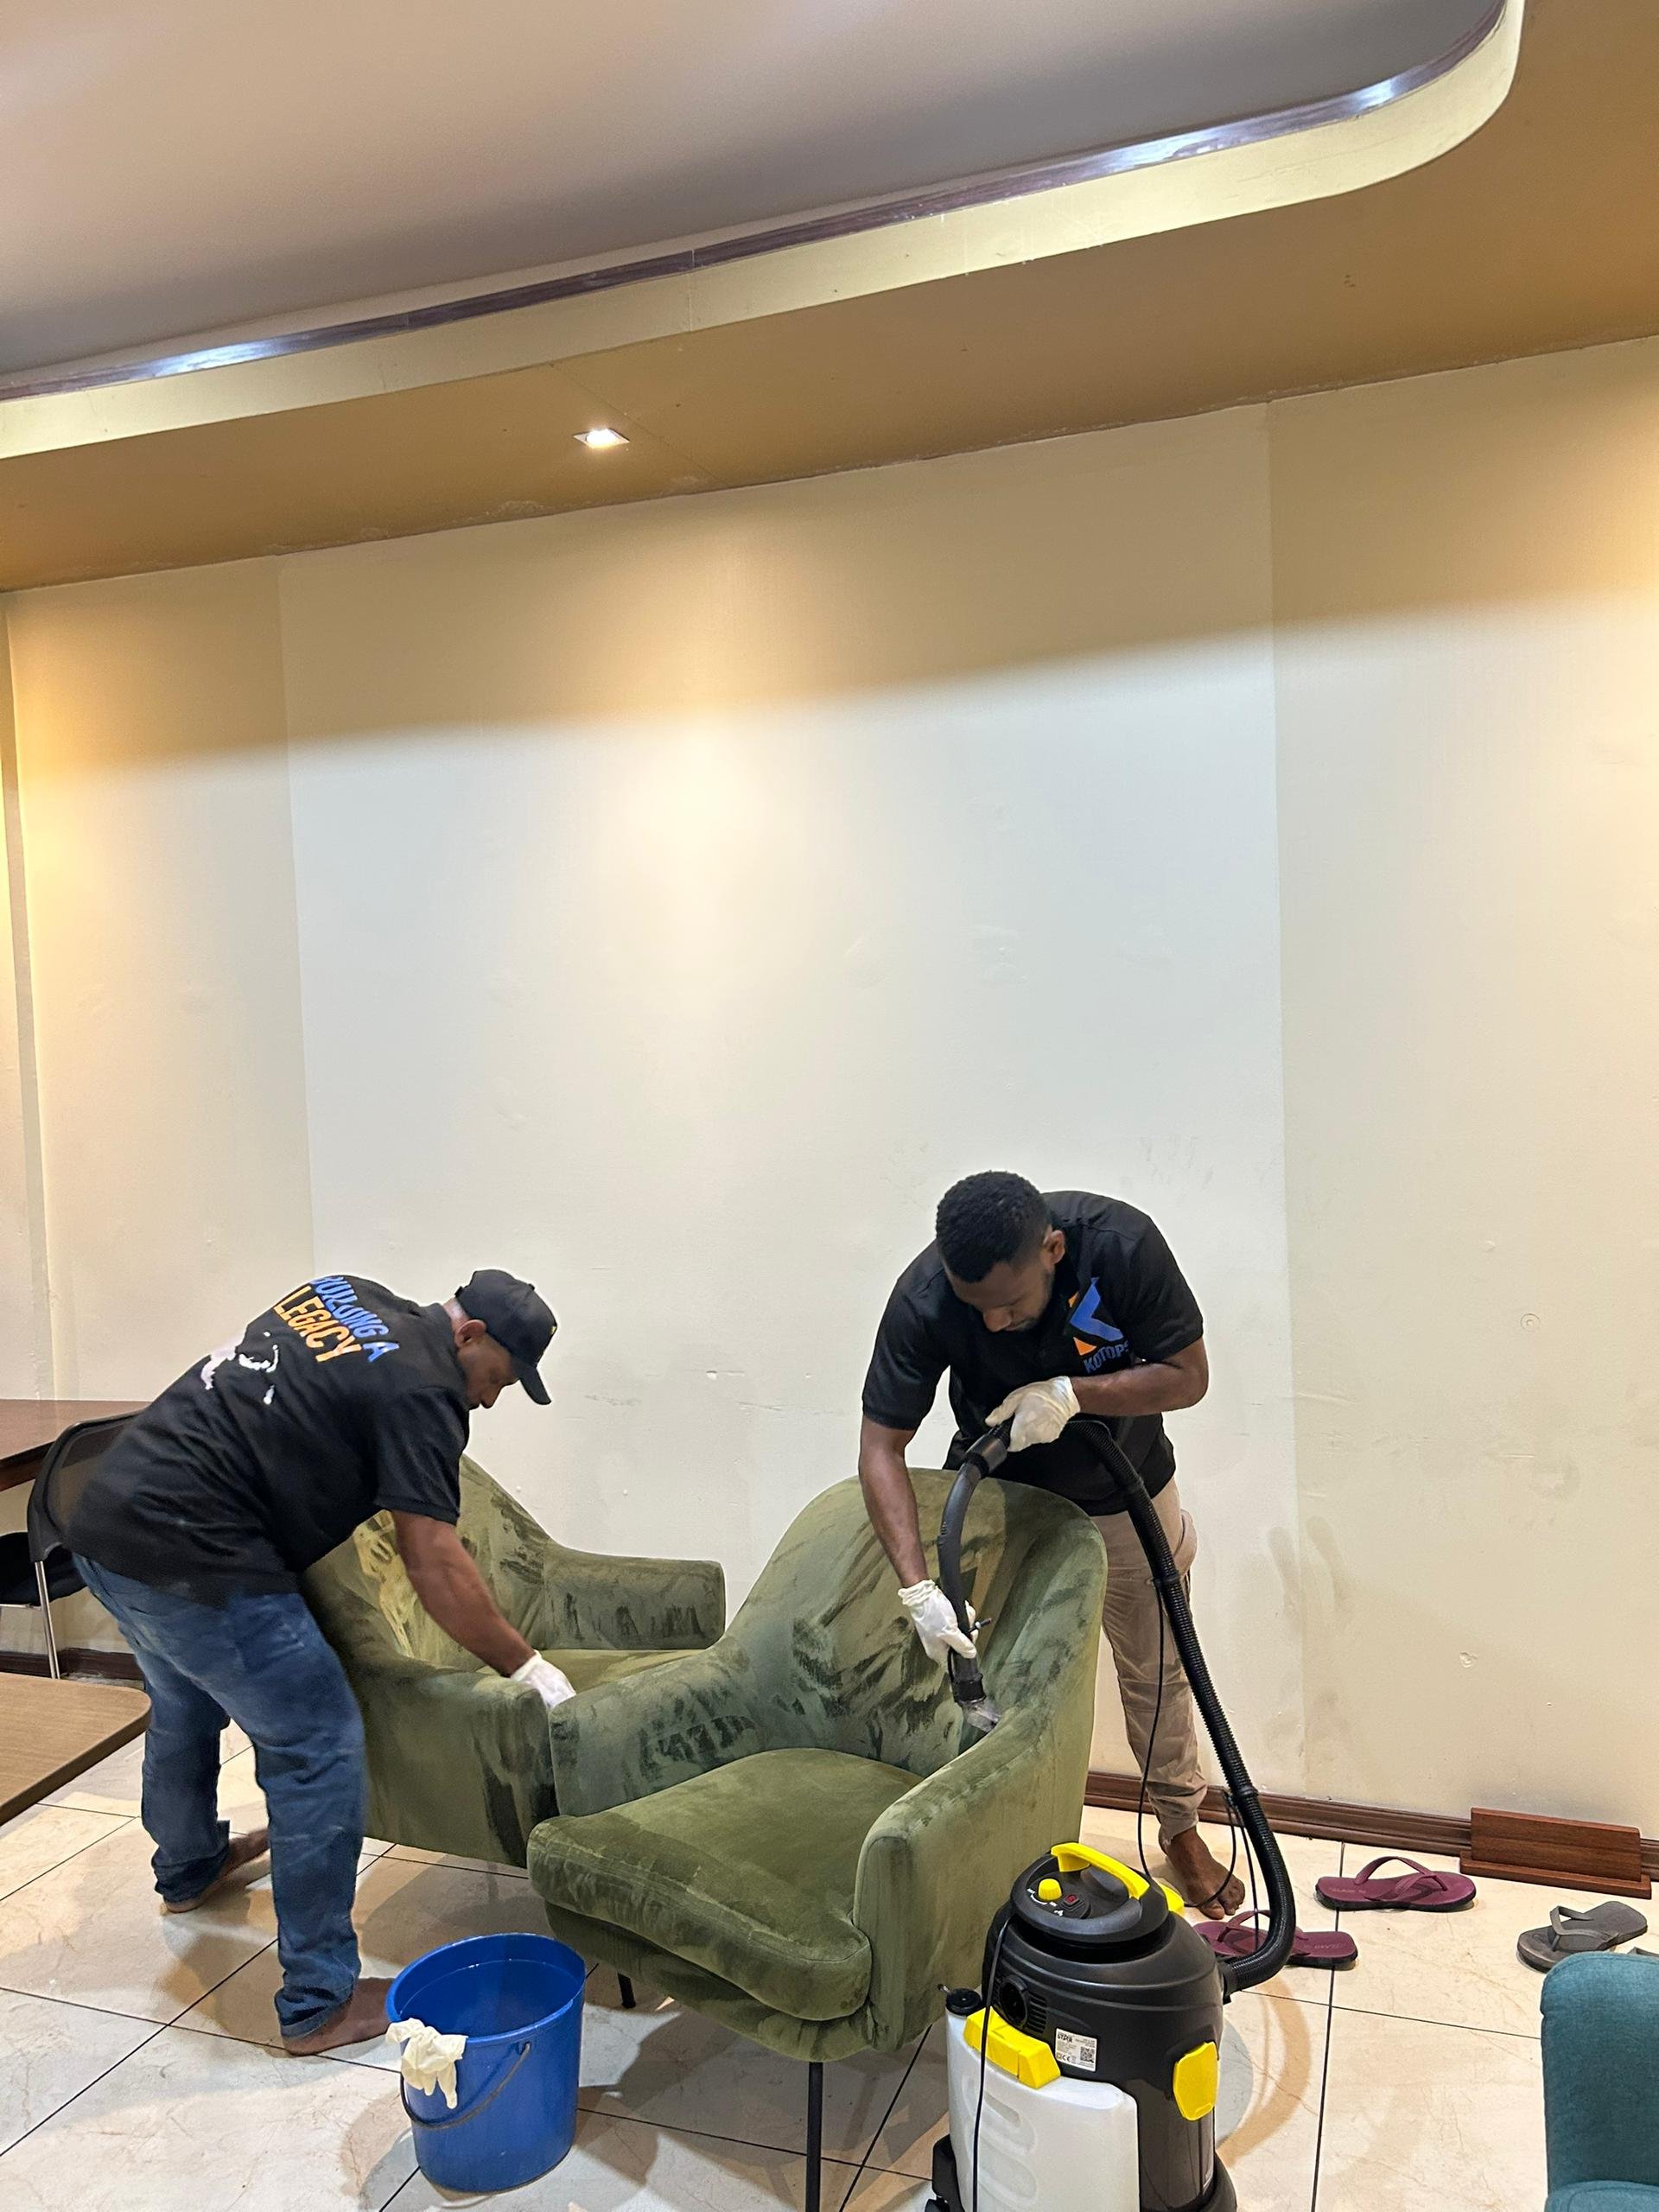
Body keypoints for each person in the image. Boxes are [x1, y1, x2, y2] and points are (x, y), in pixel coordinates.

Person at [57, 1268, 575, 2052]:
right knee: (318, 1745)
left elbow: (295, 1412)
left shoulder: (347, 1292)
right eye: (497, 1379)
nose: (491, 1400)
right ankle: (319, 2001)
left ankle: (190, 1869)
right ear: (468, 1336)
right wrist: (529, 1668)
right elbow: (434, 1564)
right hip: (199, 1555)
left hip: (105, 1518)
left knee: (186, 1704)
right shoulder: (424, 1392)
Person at [858, 1173, 1245, 1919]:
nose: (998, 1324)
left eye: (1012, 1302)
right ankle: (990, 1832)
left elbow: (1189, 1377)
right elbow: (881, 1447)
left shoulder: (1121, 1247)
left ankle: (1181, 1827)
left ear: (1054, 1250)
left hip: (1126, 1485)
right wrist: (916, 1587)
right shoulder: (926, 1299)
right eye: (980, 1310)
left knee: (1157, 1663)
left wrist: (1071, 1393)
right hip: (1002, 1494)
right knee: (984, 1673)